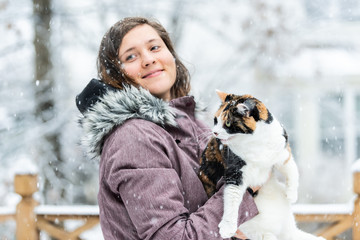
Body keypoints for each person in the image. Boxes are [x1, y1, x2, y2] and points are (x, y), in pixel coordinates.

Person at [76, 17, 258, 240]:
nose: (148, 59)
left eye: (154, 47)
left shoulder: (192, 126)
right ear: (114, 75)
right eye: (130, 56)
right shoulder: (134, 138)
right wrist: (242, 192)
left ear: (171, 55)